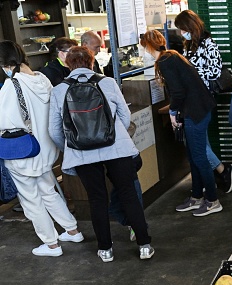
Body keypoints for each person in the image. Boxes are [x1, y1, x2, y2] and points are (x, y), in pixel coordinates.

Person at [49, 46, 154, 262]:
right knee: (128, 195)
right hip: (116, 149)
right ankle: (144, 245)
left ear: (68, 64)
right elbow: (125, 118)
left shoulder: (59, 90)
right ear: (92, 62)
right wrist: (113, 136)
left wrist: (71, 145)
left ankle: (105, 249)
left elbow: (54, 130)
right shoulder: (107, 82)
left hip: (82, 153)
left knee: (97, 200)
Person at [0, 40, 83, 257]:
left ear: (5, 64)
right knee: (48, 191)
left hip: (24, 152)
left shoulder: (12, 85)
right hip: (45, 149)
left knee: (30, 199)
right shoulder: (42, 78)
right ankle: (72, 230)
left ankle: (51, 244)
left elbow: (5, 122)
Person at [140, 30, 221, 217]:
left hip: (195, 113)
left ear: (149, 46)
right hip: (198, 110)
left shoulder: (165, 61)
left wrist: (172, 112)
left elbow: (178, 92)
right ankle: (196, 197)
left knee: (199, 157)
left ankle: (212, 200)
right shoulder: (171, 56)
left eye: (143, 47)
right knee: (193, 157)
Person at [174, 10, 232, 195]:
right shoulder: (188, 45)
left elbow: (215, 72)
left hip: (203, 98)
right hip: (191, 99)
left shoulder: (209, 44)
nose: (180, 33)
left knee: (198, 145)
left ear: (190, 27)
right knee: (200, 143)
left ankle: (221, 172)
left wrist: (191, 76)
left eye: (182, 29)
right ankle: (220, 171)